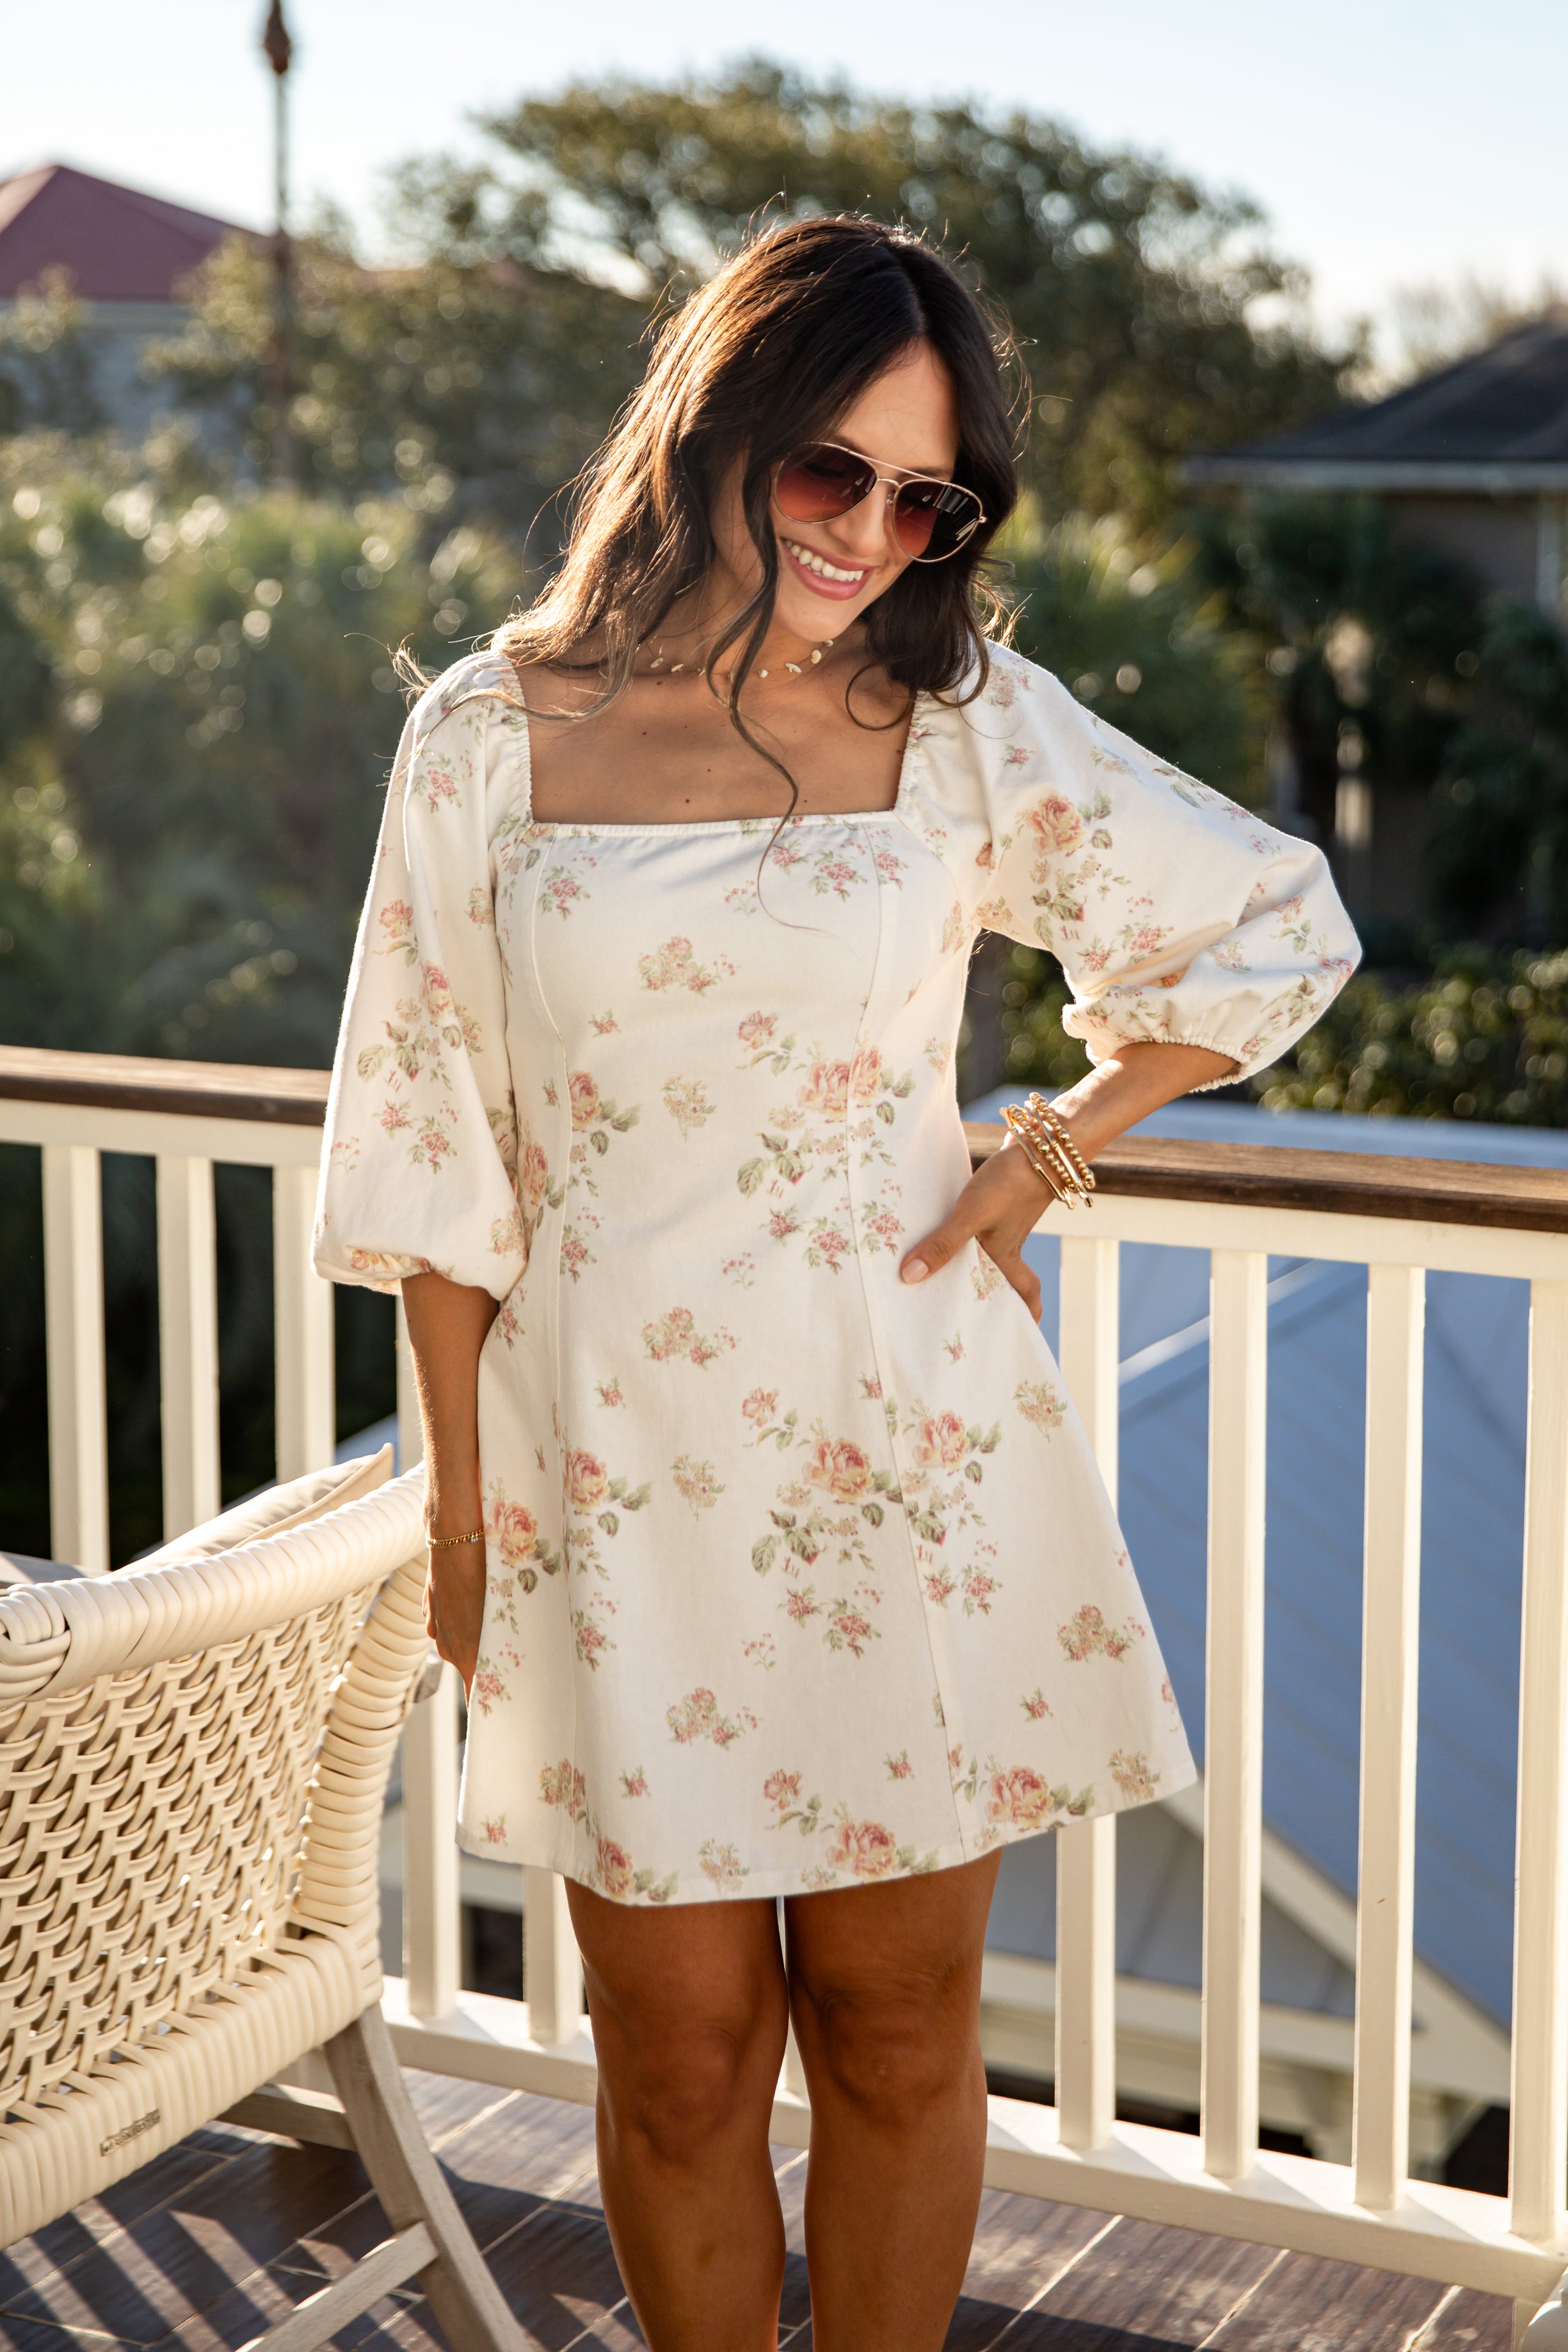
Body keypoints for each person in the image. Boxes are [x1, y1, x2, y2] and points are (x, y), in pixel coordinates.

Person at [315, 214, 1357, 2352]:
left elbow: (1267, 925)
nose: (872, 533)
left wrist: (1049, 1145)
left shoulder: (960, 720)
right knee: (677, 2054)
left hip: (906, 1449)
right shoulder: (482, 737)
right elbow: (430, 1146)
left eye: (926, 498)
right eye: (830, 474)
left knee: (892, 2030)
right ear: (715, 430)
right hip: (603, 1466)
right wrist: (447, 1505)